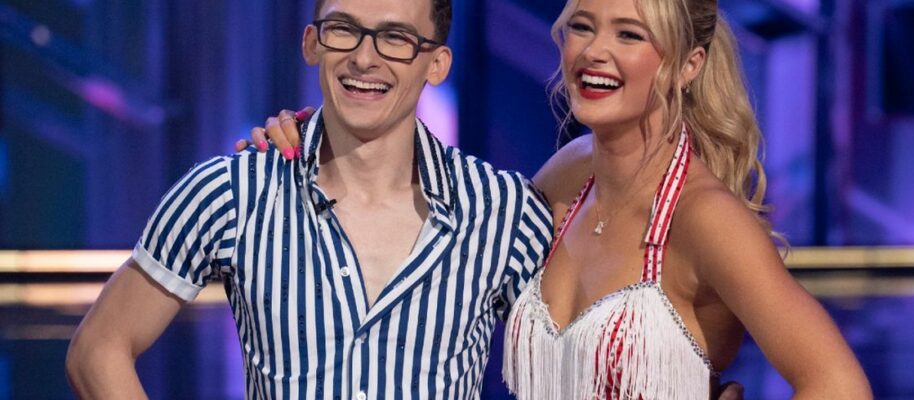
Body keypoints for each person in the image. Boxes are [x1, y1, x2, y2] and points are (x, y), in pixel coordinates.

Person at [258, 0, 871, 398]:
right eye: (582, 25)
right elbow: (427, 233)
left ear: (688, 64)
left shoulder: (704, 216)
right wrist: (319, 143)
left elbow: (838, 384)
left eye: (629, 34)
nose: (593, 51)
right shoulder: (565, 178)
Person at [65, 0, 556, 398]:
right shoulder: (232, 191)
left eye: (395, 38)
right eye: (343, 29)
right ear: (311, 42)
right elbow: (98, 350)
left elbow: (574, 375)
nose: (365, 58)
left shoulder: (502, 210)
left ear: (436, 63)